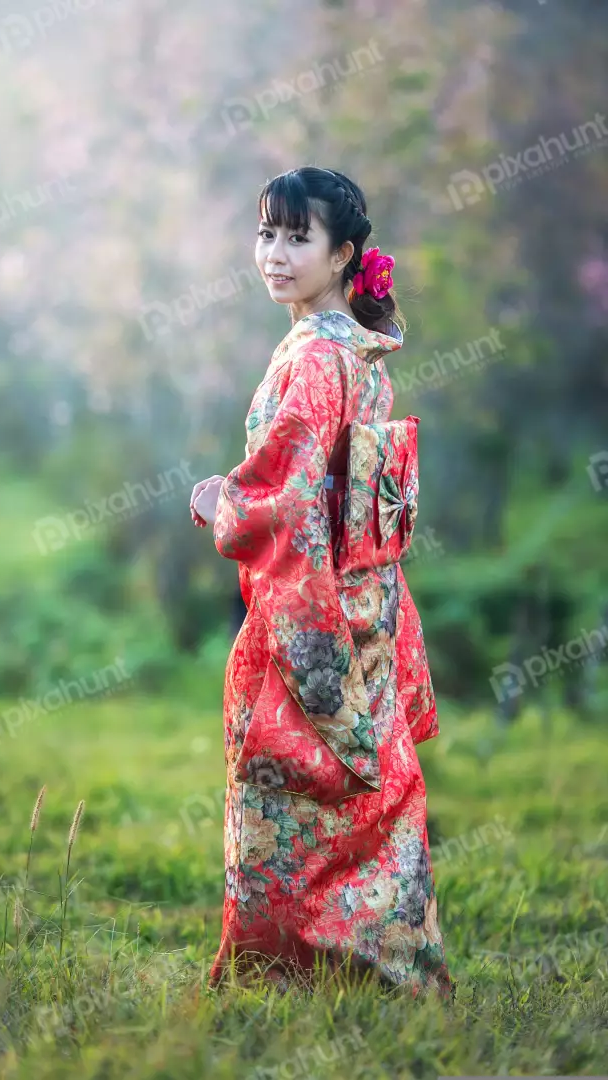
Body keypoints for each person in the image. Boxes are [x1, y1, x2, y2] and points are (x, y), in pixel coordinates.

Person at [189, 167, 451, 999]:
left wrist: (219, 502)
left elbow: (289, 497)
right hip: (367, 600)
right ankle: (380, 967)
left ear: (343, 254)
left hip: (316, 604)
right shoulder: (359, 350)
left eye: (297, 236)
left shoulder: (313, 359)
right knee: (366, 791)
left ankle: (283, 974)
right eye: (266, 232)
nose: (274, 253)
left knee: (288, 781)